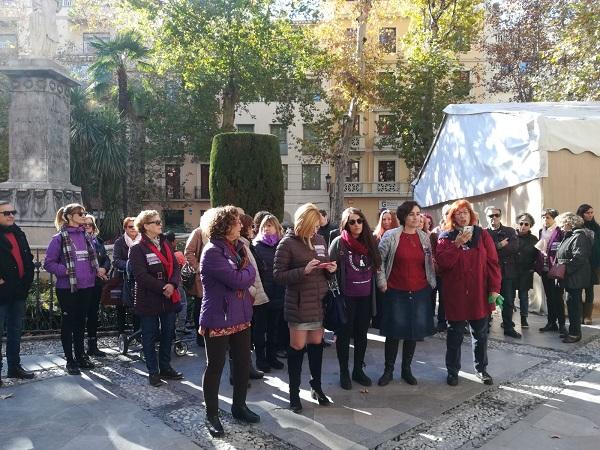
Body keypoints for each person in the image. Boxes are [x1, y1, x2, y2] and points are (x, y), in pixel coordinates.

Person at [199, 206, 260, 437]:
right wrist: (246, 276)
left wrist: (246, 276)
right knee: (215, 367)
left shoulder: (239, 248)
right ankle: (212, 414)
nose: (240, 225)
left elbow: (250, 272)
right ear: (224, 226)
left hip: (241, 315)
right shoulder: (213, 251)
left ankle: (239, 407)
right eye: (235, 222)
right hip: (218, 317)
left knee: (243, 363)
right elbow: (238, 279)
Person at [274, 203, 336, 413]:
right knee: (297, 349)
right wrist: (303, 271)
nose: (316, 230)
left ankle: (316, 387)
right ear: (304, 223)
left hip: (319, 302)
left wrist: (330, 269)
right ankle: (293, 394)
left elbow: (324, 265)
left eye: (318, 226)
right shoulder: (287, 244)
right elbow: (278, 276)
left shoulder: (319, 240)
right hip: (299, 304)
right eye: (313, 226)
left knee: (316, 346)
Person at [437, 199, 502, 386]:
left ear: (471, 215)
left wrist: (495, 289)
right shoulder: (446, 237)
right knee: (454, 335)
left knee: (480, 334)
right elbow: (443, 264)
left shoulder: (482, 235)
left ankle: (481, 369)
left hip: (478, 293)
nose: (463, 216)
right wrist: (456, 244)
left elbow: (492, 263)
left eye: (466, 212)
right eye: (458, 213)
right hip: (455, 294)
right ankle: (452, 371)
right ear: (453, 217)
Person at [376, 201, 436, 386]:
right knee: (394, 332)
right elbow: (379, 261)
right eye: (412, 214)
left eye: (418, 214)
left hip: (419, 291)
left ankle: (406, 369)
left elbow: (428, 262)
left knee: (413, 332)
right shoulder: (391, 236)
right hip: (396, 291)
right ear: (403, 217)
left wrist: (430, 282)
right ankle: (388, 370)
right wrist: (382, 282)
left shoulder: (424, 238)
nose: (416, 217)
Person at [44, 203, 101, 375]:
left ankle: (81, 356)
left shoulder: (87, 236)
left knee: (80, 322)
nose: (84, 216)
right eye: (80, 213)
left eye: (84, 213)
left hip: (87, 286)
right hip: (67, 288)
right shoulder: (58, 238)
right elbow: (48, 263)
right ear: (69, 217)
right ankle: (70, 360)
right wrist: (65, 270)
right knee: (69, 323)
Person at [129, 210, 183, 387]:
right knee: (149, 336)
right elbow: (141, 276)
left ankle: (166, 367)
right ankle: (153, 372)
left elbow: (175, 267)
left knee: (168, 333)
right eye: (156, 222)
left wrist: (172, 285)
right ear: (145, 226)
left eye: (160, 221)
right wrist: (163, 287)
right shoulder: (137, 248)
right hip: (148, 299)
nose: (160, 224)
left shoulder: (165, 243)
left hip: (168, 297)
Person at [329, 208, 381, 389]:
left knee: (361, 334)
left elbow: (377, 265)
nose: (357, 225)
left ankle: (358, 369)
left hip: (366, 297)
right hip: (346, 298)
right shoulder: (339, 243)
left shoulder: (370, 242)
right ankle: (344, 371)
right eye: (352, 222)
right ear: (346, 224)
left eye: (359, 221)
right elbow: (330, 270)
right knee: (344, 335)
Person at [0, 202, 35, 385]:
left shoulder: (18, 232)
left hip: (18, 291)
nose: (11, 215)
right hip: (1, 292)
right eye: (6, 212)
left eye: (13, 212)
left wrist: (27, 279)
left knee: (15, 331)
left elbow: (27, 257)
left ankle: (14, 367)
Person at [252, 214, 286, 371]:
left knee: (274, 328)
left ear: (277, 228)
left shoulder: (282, 245)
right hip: (262, 294)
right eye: (264, 226)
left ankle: (272, 357)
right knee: (260, 329)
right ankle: (261, 359)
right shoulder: (256, 246)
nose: (266, 228)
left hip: (279, 292)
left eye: (270, 225)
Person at [555, 212, 592, 343]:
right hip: (570, 276)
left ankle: (575, 333)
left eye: (561, 224)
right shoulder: (570, 235)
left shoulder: (579, 236)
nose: (560, 227)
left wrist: (565, 269)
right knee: (571, 304)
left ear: (568, 223)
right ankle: (572, 331)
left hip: (575, 277)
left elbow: (579, 257)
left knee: (574, 306)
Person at [485, 206, 521, 338]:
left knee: (508, 301)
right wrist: (500, 245)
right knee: (488, 300)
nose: (494, 218)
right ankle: (485, 325)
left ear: (500, 216)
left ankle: (508, 326)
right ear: (487, 217)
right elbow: (484, 252)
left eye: (496, 215)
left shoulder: (510, 231)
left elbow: (514, 248)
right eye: (491, 216)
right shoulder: (484, 233)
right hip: (489, 272)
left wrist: (493, 248)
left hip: (507, 271)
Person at [239, 214, 268, 378]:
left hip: (256, 295)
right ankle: (241, 372)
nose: (253, 230)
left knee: (252, 335)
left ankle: (248, 367)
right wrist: (253, 292)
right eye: (251, 226)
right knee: (246, 338)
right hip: (250, 297)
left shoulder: (247, 245)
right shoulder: (240, 246)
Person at [83, 214, 111, 357]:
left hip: (97, 283)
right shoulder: (79, 241)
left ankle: (93, 345)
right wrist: (96, 270)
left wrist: (104, 269)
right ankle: (80, 348)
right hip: (85, 283)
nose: (88, 226)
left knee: (93, 314)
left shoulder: (98, 241)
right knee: (83, 315)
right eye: (85, 224)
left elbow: (106, 259)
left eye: (90, 224)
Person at [535, 209, 566, 335]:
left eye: (548, 217)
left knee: (558, 297)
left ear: (554, 218)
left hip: (556, 268)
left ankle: (562, 324)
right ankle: (551, 322)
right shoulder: (541, 230)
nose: (545, 220)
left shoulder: (560, 231)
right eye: (543, 217)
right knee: (549, 297)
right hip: (545, 267)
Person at [112, 217, 141, 334]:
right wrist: (131, 265)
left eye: (135, 226)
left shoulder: (142, 241)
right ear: (125, 228)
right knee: (121, 307)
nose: (133, 229)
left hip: (138, 278)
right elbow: (116, 260)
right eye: (130, 226)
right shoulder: (119, 242)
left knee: (138, 305)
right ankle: (121, 333)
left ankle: (137, 332)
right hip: (122, 278)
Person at [184, 215, 208, 347]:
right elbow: (188, 251)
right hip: (201, 277)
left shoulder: (217, 233)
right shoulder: (198, 232)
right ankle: (200, 337)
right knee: (200, 306)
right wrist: (198, 267)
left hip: (214, 276)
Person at [576, 204, 600, 324]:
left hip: (592, 264)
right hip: (580, 264)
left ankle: (587, 316)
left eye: (591, 212)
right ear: (581, 214)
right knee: (578, 288)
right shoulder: (577, 228)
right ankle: (579, 315)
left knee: (589, 289)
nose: (590, 215)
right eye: (587, 213)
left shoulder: (597, 227)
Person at [514, 213, 539, 329]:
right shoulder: (511, 236)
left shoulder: (534, 239)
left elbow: (538, 256)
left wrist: (532, 268)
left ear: (530, 226)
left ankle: (524, 319)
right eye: (521, 223)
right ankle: (507, 319)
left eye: (526, 224)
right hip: (511, 271)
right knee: (509, 296)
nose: (523, 226)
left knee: (523, 296)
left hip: (525, 272)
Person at [165, 231, 189, 334]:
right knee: (182, 303)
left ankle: (169, 327)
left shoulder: (162, 253)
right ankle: (181, 326)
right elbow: (186, 267)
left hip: (165, 284)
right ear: (173, 241)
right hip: (177, 282)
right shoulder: (178, 254)